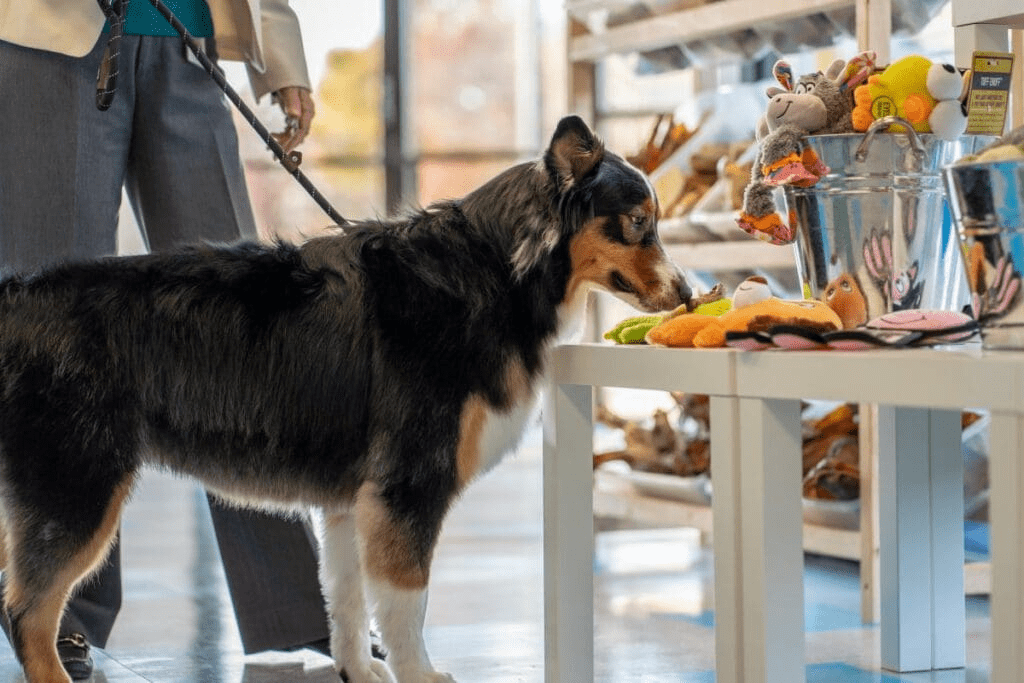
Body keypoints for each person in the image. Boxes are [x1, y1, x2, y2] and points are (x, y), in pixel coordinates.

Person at [0, 0, 336, 678]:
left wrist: (280, 53)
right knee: (59, 342)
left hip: (188, 41)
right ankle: (59, 614)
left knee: (241, 337)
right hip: (50, 42)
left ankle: (300, 614)